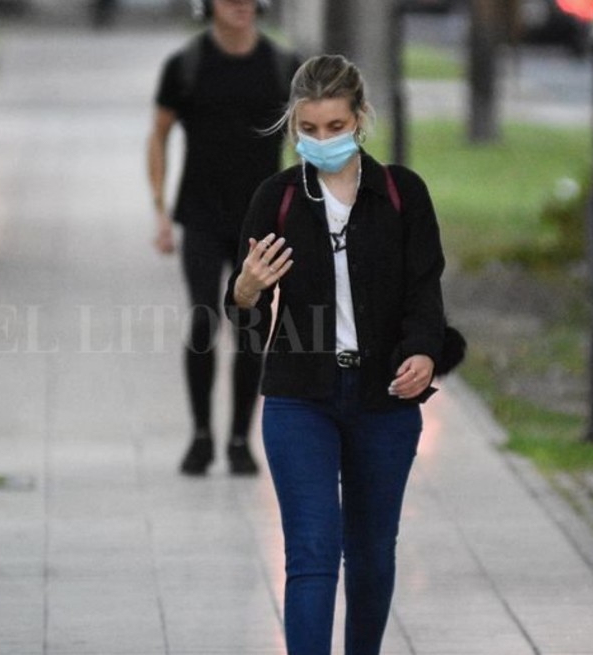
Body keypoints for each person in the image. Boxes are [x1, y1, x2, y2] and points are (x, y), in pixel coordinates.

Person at [225, 54, 460, 654]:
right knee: (311, 551)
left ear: (360, 120)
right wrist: (247, 290)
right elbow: (245, 320)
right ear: (293, 127)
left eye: (335, 127)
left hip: (384, 400)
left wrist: (424, 356)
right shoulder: (275, 199)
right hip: (299, 400)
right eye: (310, 129)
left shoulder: (401, 194)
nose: (323, 139)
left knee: (374, 554)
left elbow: (424, 293)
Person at [147, 0, 298, 476]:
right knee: (202, 324)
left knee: (252, 330)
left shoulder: (284, 68)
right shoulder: (186, 66)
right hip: (201, 217)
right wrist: (160, 213)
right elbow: (158, 135)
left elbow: (306, 140)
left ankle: (238, 440)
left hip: (261, 224)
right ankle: (200, 437)